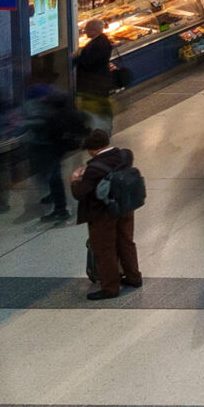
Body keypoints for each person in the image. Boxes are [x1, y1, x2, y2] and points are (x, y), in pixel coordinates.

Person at [70, 126, 143, 300]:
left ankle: (110, 287)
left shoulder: (94, 169)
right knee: (126, 242)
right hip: (125, 207)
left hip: (103, 214)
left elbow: (80, 193)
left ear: (93, 150)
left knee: (105, 249)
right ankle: (134, 277)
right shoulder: (126, 155)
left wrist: (75, 180)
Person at [22, 81, 82, 223]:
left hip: (48, 145)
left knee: (53, 176)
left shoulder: (41, 105)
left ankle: (60, 209)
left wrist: (23, 125)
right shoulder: (58, 100)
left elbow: (39, 124)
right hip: (56, 144)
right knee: (52, 175)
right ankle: (54, 198)